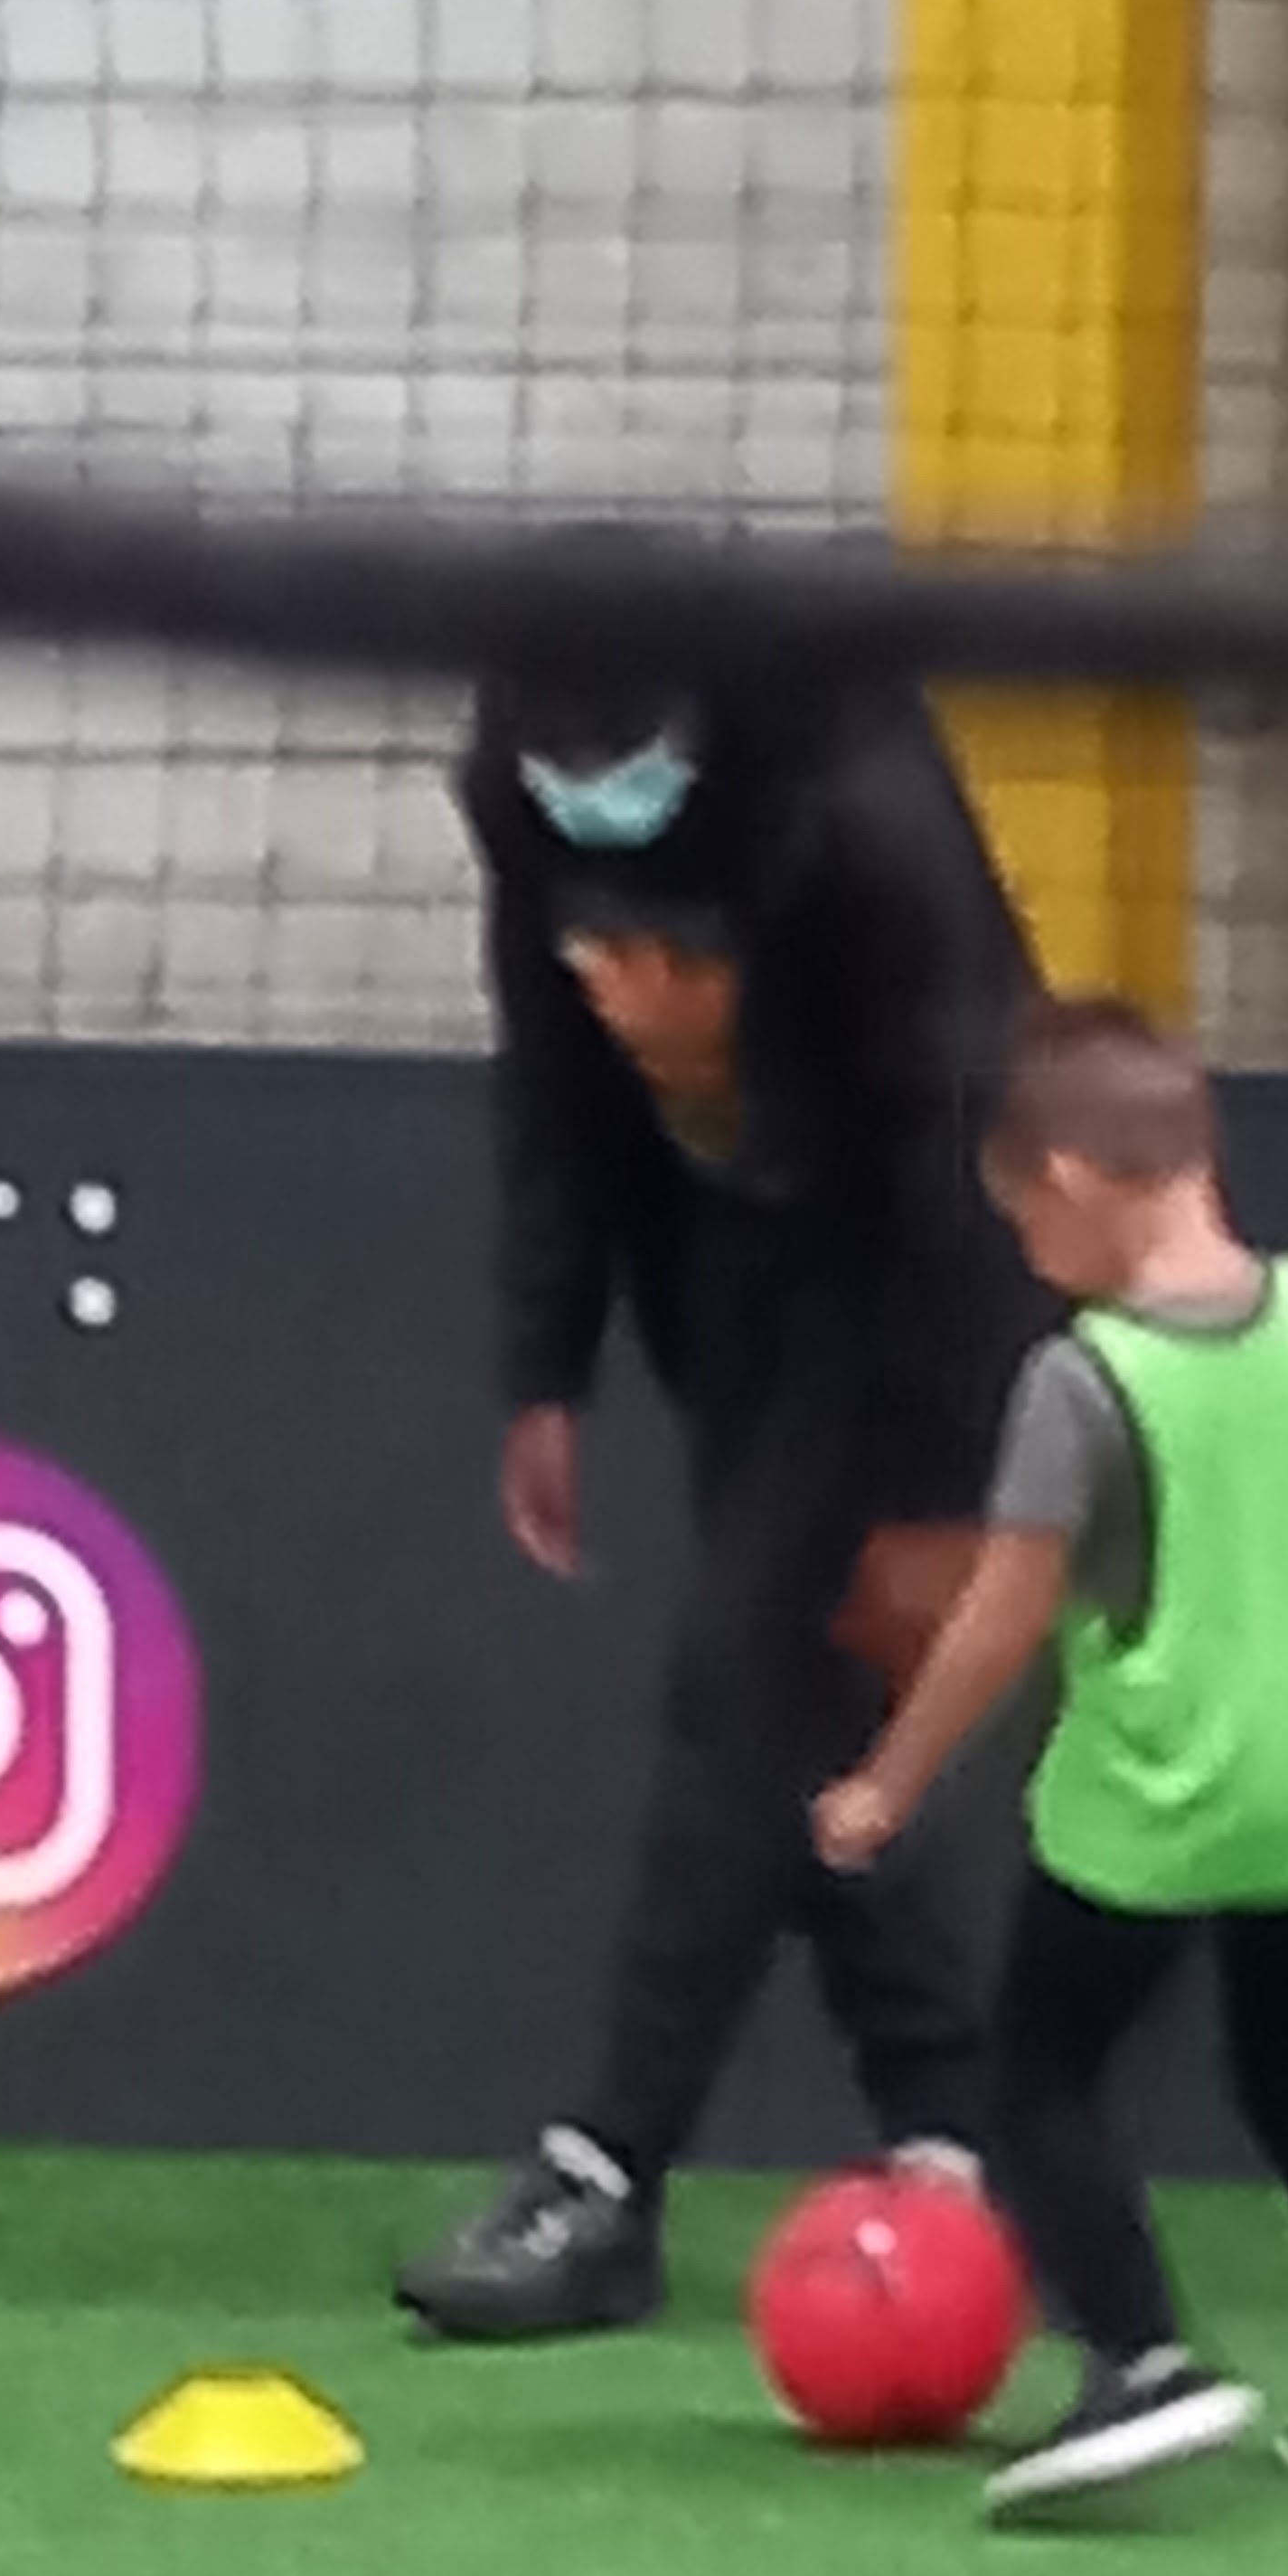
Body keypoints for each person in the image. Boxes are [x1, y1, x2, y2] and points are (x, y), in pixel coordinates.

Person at [397, 661, 1049, 2342]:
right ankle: (957, 2128)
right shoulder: (514, 777)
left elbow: (941, 1131)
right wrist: (545, 1363)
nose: (587, 800)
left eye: (621, 767)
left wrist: (932, 1475)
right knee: (798, 1708)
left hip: (910, 1250)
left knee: (746, 1681)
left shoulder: (857, 817)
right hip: (715, 1238)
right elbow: (552, 1069)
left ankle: (606, 2173)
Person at [813, 994, 1288, 2518]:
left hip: (1156, 1804)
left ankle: (1137, 2359)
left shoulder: (1085, 1379)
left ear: (1072, 1181)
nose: (1026, 1255)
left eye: (1023, 1222)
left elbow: (1002, 1615)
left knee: (1035, 2076)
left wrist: (890, 1778)